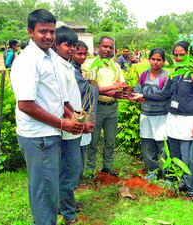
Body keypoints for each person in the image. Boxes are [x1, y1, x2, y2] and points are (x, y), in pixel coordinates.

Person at [9, 9, 83, 225]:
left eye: (51, 31)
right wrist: (62, 123)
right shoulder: (28, 61)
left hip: (51, 134)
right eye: (43, 31)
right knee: (43, 193)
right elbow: (26, 105)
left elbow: (56, 96)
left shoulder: (50, 57)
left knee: (51, 190)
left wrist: (71, 115)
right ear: (30, 32)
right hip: (38, 137)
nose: (49, 36)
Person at [54, 26, 94, 225]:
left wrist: (80, 121)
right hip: (66, 128)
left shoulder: (67, 66)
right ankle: (68, 214)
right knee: (70, 171)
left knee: (71, 170)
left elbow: (68, 101)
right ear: (56, 45)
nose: (70, 49)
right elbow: (60, 101)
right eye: (66, 45)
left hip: (74, 126)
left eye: (73, 45)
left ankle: (65, 205)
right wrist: (75, 121)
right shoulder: (57, 68)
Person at [162, 41, 193, 200]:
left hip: (188, 121)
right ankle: (180, 183)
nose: (178, 58)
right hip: (173, 119)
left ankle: (191, 190)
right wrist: (143, 96)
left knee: (189, 158)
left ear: (190, 55)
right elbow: (166, 94)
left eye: (182, 55)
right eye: (175, 55)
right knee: (175, 155)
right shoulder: (174, 72)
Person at [82, 36, 128, 177]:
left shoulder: (115, 66)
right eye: (105, 46)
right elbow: (91, 89)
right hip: (95, 108)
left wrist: (124, 93)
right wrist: (114, 87)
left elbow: (122, 84)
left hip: (112, 107)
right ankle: (90, 170)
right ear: (98, 47)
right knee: (93, 141)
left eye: (110, 47)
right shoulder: (89, 65)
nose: (107, 50)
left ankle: (107, 168)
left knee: (110, 140)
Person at [131, 48, 169, 180]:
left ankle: (166, 175)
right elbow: (137, 91)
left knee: (163, 148)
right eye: (153, 59)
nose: (155, 62)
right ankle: (152, 171)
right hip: (146, 115)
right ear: (149, 60)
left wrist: (144, 96)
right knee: (147, 145)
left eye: (159, 60)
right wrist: (137, 96)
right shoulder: (143, 75)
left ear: (164, 61)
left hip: (162, 116)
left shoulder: (166, 76)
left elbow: (164, 95)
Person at [71, 40, 99, 181]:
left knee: (81, 148)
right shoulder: (72, 71)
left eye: (84, 54)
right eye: (79, 53)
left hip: (84, 113)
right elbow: (86, 89)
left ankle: (78, 178)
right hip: (76, 115)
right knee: (76, 151)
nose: (82, 57)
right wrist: (94, 84)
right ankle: (75, 180)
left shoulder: (79, 70)